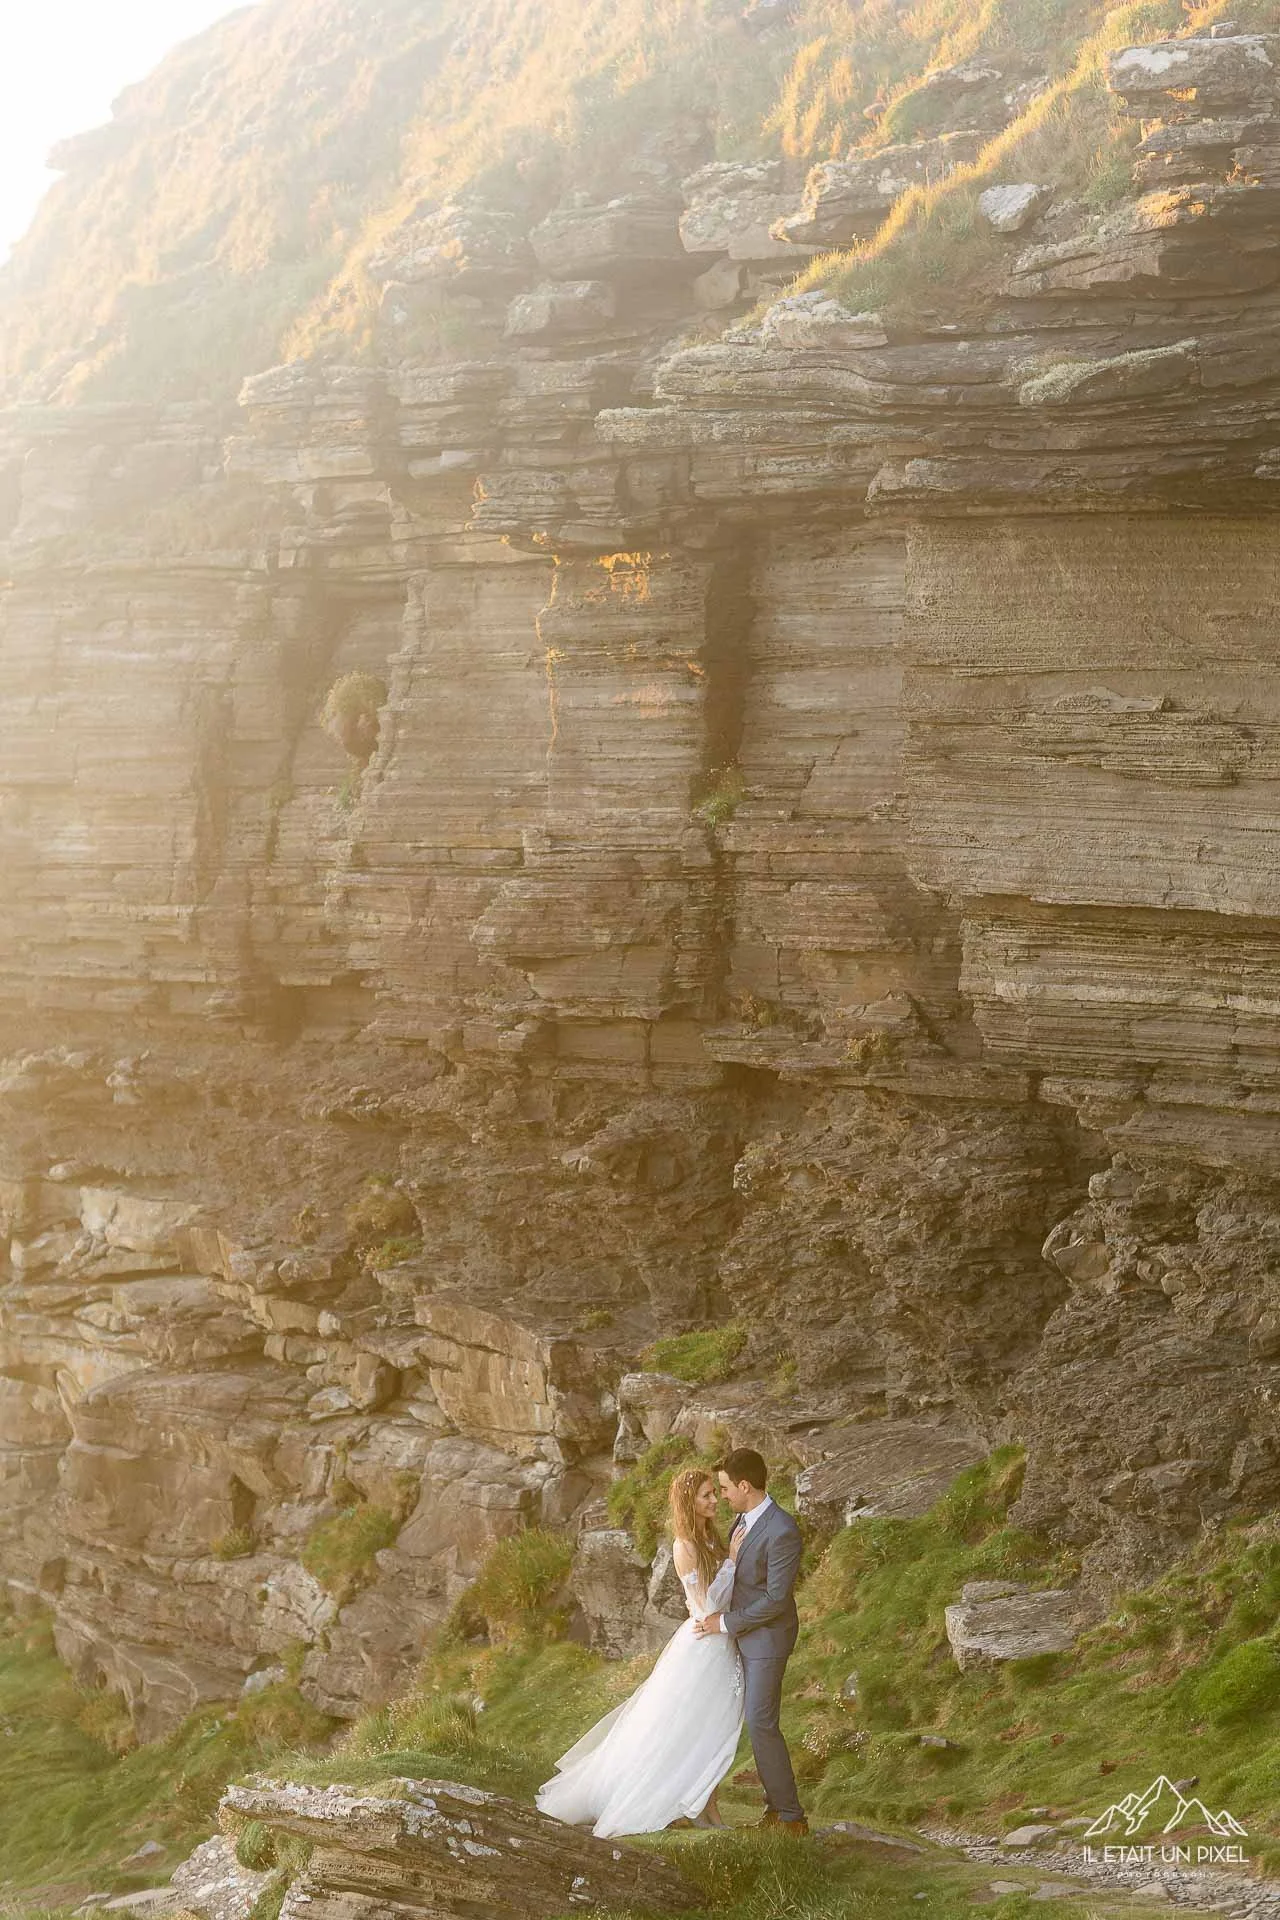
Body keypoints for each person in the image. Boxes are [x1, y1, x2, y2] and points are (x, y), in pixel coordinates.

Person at [535, 1467, 744, 1836]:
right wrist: (735, 1561)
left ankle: (707, 1809)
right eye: (706, 1495)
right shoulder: (685, 1547)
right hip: (703, 1647)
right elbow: (704, 1605)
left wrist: (730, 1559)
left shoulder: (710, 1538)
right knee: (692, 1732)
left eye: (714, 1493)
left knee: (712, 1733)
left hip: (721, 1645)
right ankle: (692, 1807)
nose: (714, 1500)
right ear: (688, 1503)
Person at [692, 1447, 808, 1837]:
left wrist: (723, 1622)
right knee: (754, 1723)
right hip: (744, 1636)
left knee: (761, 1723)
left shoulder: (782, 1529)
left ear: (744, 1485)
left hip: (768, 1640)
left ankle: (791, 1818)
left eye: (725, 1488)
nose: (722, 1496)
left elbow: (776, 1599)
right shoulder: (742, 1521)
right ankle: (775, 1811)